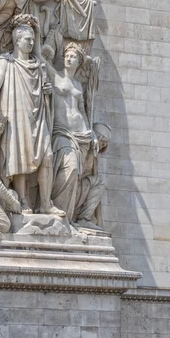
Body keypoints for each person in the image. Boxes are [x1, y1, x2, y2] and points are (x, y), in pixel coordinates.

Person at [0, 14, 65, 216]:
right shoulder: (5, 62)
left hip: (38, 115)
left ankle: (45, 203)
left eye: (33, 39)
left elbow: (46, 89)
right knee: (19, 158)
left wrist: (48, 93)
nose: (32, 43)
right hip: (15, 116)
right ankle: (23, 200)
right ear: (17, 40)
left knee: (47, 156)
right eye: (28, 39)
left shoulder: (39, 65)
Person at [42, 42, 97, 220]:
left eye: (73, 56)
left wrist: (92, 133)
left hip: (82, 136)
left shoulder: (79, 85)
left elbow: (82, 111)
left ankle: (66, 216)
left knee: (76, 176)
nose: (68, 58)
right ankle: (54, 207)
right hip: (62, 132)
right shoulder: (56, 76)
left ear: (79, 62)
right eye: (66, 55)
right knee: (70, 168)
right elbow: (40, 58)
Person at [73, 121, 111, 230]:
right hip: (72, 187)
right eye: (103, 141)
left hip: (79, 187)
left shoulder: (94, 155)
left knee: (101, 180)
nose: (103, 145)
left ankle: (84, 218)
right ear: (97, 137)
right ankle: (83, 218)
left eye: (106, 144)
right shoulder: (85, 147)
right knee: (100, 181)